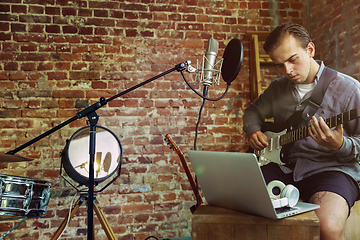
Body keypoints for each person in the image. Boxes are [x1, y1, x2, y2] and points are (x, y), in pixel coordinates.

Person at [243, 22, 360, 240]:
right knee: (240, 208)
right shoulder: (278, 88)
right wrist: (253, 130)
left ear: (310, 50)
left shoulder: (350, 89)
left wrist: (340, 145)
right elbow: (252, 112)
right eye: (279, 65)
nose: (287, 70)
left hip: (331, 168)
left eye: (292, 60)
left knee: (328, 229)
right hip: (283, 167)